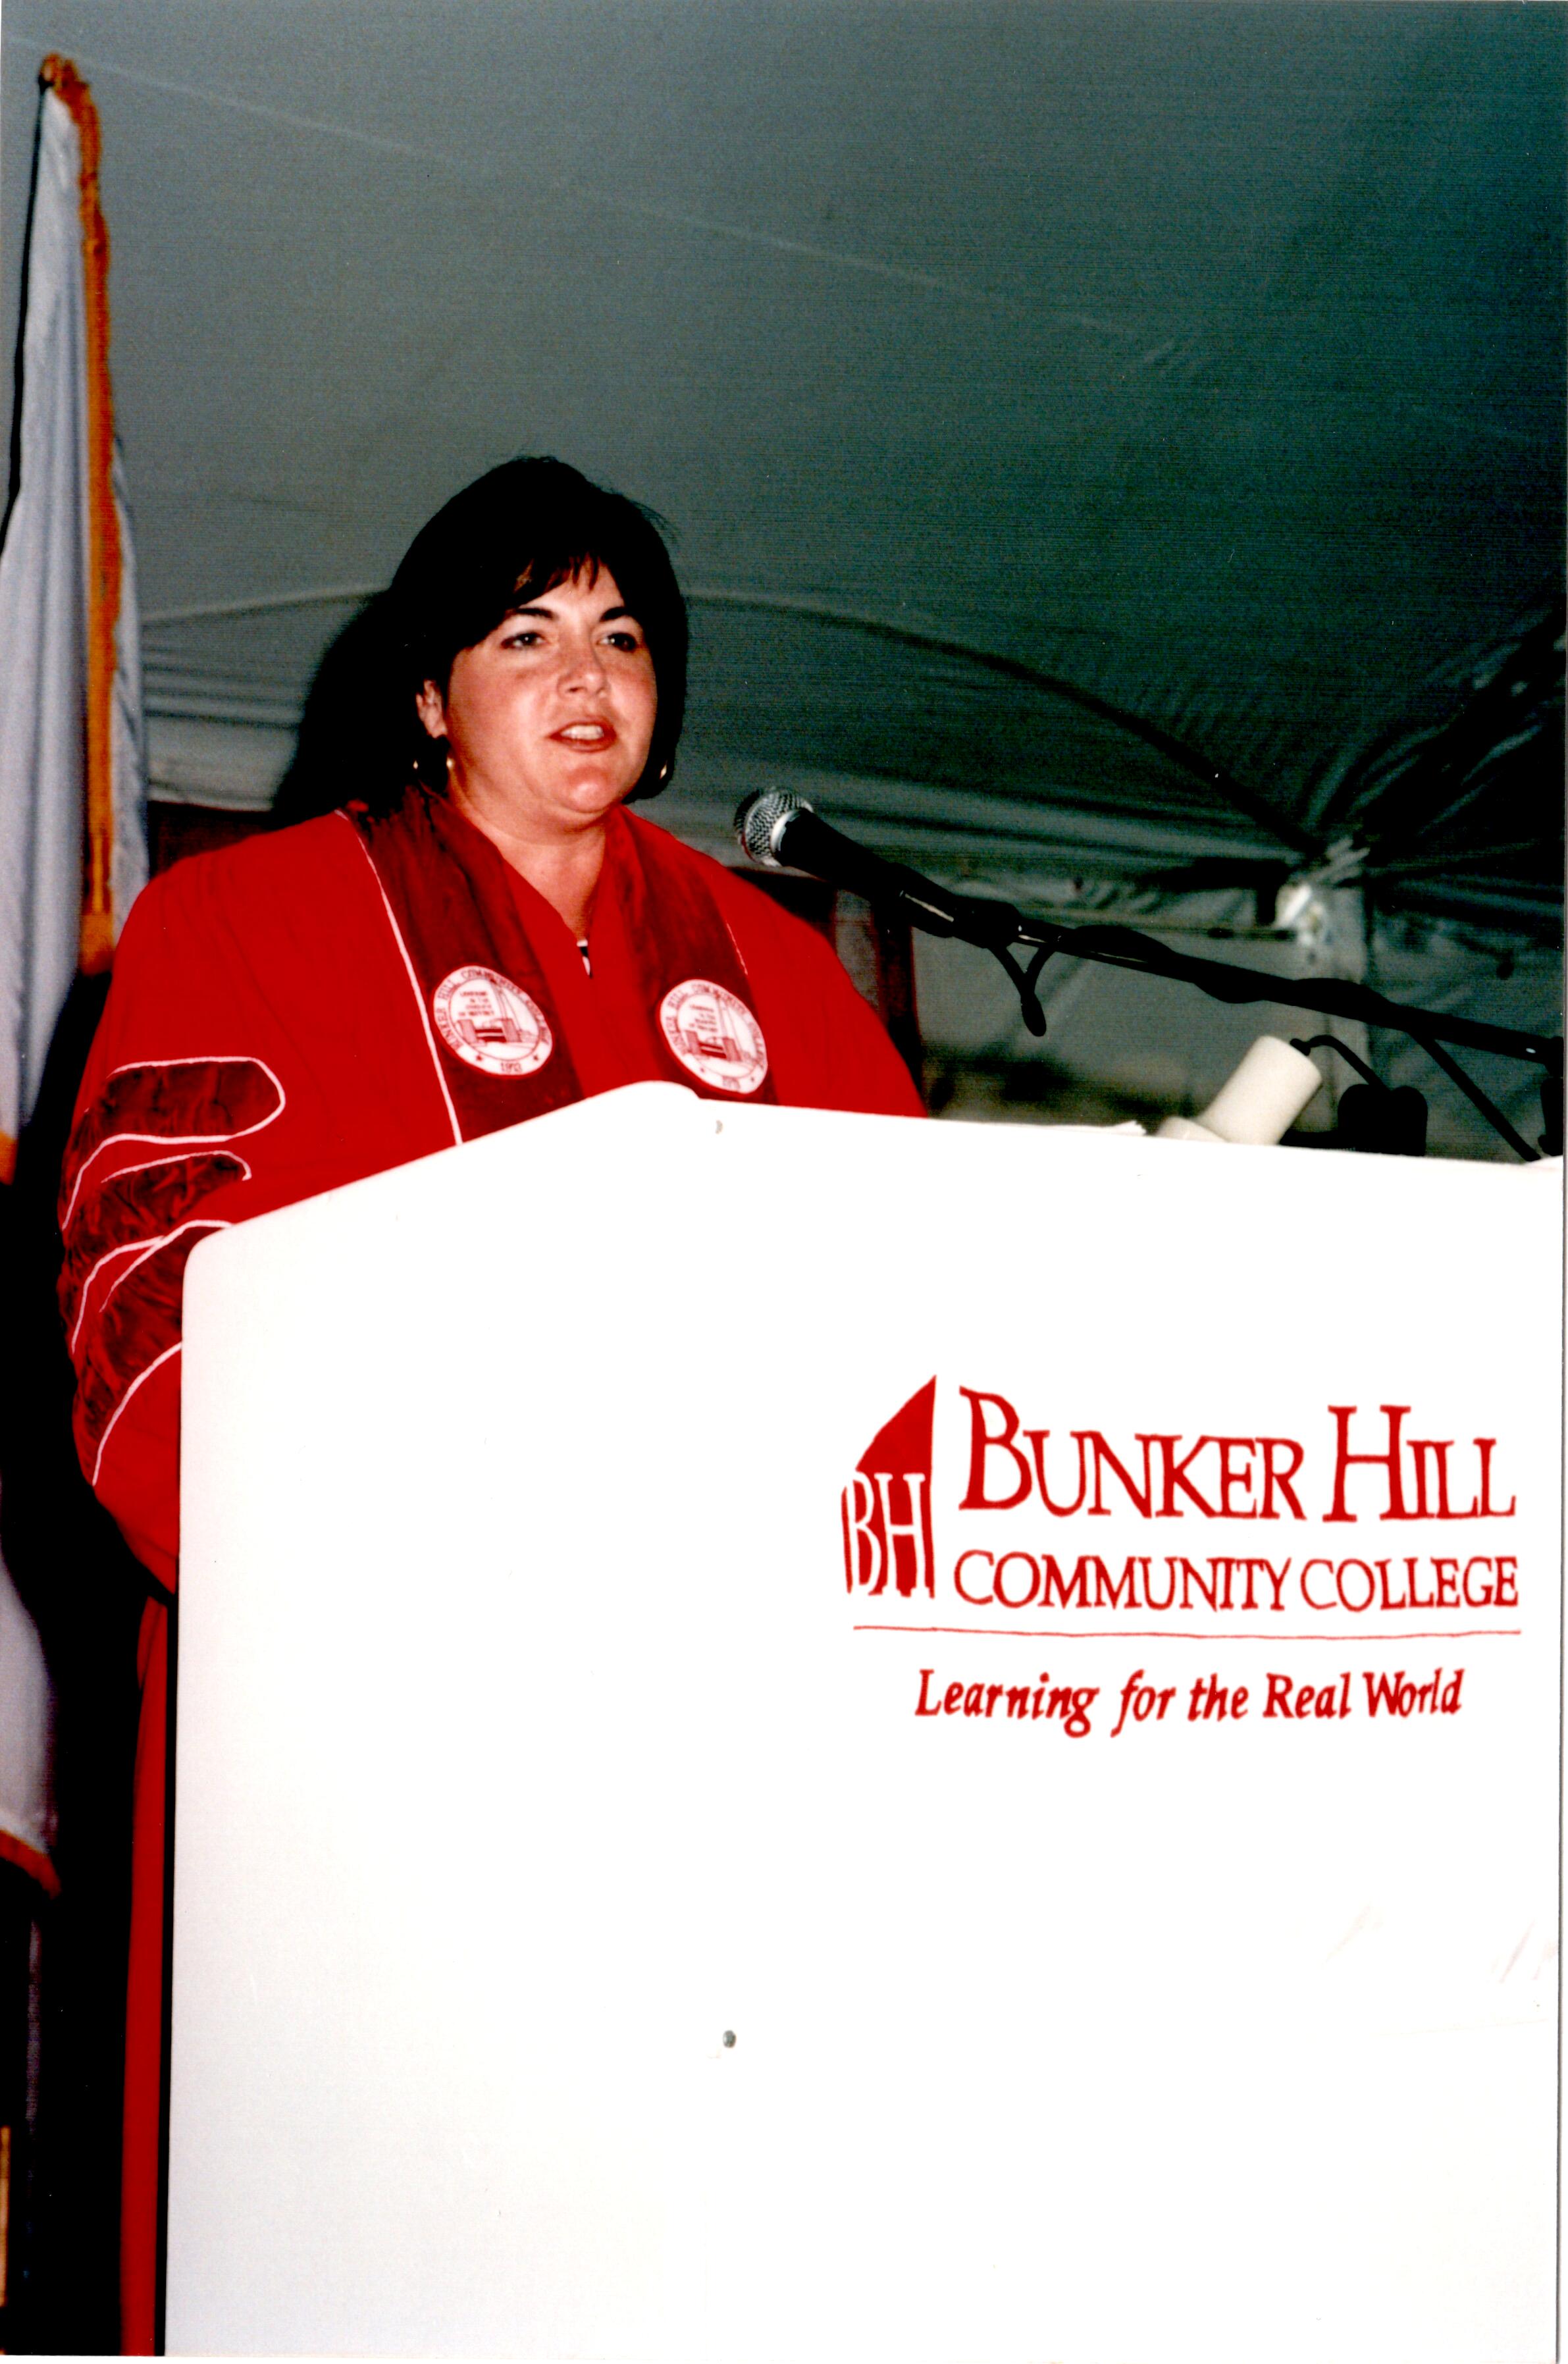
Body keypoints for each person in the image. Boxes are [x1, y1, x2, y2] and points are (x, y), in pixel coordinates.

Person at [57, 455, 922, 2351]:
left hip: (733, 1759)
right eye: (525, 635)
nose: (586, 674)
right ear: (431, 693)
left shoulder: (782, 971)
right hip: (370, 1736)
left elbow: (926, 1323)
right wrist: (365, 1612)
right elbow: (139, 1306)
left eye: (624, 634)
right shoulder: (251, 923)